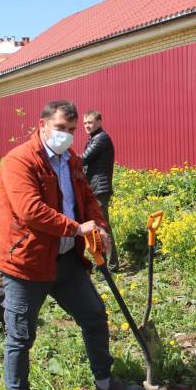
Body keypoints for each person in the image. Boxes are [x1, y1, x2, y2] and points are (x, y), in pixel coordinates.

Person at [0, 100, 143, 390]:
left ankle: (104, 385)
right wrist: (77, 228)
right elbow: (30, 210)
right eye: (60, 128)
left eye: (72, 130)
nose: (67, 135)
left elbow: (86, 197)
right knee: (21, 336)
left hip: (65, 260)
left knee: (93, 315)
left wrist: (98, 225)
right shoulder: (19, 160)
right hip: (27, 263)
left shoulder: (70, 159)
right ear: (42, 124)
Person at [81, 110, 119, 272]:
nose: (87, 126)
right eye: (85, 123)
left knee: (104, 227)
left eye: (90, 122)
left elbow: (83, 159)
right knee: (96, 226)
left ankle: (112, 266)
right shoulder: (93, 139)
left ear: (99, 122)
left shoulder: (101, 138)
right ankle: (101, 262)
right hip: (94, 188)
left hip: (100, 189)